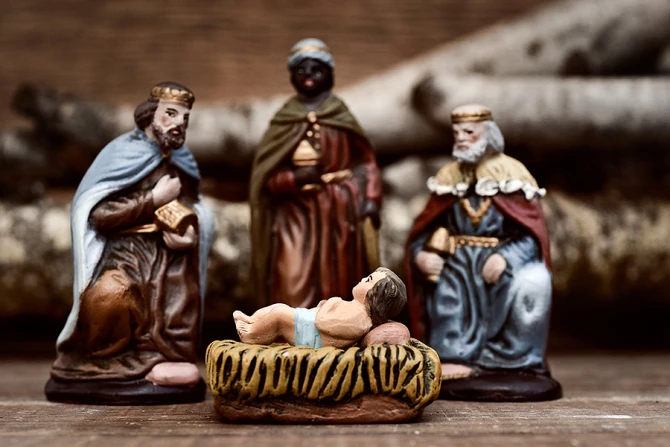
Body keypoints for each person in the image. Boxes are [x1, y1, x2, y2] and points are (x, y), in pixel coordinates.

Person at [46, 82, 215, 404]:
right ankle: (105, 360)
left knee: (179, 297)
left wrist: (190, 233)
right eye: (170, 114)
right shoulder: (122, 154)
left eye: (184, 118)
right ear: (150, 115)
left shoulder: (181, 160)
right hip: (125, 253)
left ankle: (167, 359)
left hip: (170, 253)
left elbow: (194, 205)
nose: (178, 124)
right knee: (109, 295)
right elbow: (99, 215)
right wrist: (152, 199)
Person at [404, 104, 561, 401]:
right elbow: (424, 229)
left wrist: (506, 257)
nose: (461, 139)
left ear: (488, 135)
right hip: (455, 265)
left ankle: (514, 360)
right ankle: (452, 356)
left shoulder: (512, 176)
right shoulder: (450, 178)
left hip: (500, 266)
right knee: (445, 292)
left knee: (533, 281)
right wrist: (421, 255)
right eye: (456, 133)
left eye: (469, 132)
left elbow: (532, 236)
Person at [249, 38, 382, 311]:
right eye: (301, 70)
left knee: (339, 284)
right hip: (294, 213)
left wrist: (370, 199)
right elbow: (266, 175)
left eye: (316, 70)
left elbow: (365, 162)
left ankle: (337, 329)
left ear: (329, 74)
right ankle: (292, 330)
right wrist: (293, 179)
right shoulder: (285, 118)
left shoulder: (340, 115)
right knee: (291, 280)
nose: (308, 76)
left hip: (339, 210)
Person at [233, 267, 407, 350]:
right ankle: (252, 321)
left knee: (279, 315)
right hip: (308, 324)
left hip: (310, 335)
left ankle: (251, 335)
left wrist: (331, 303)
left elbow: (322, 323)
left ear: (375, 297)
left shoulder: (361, 320)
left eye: (368, 280)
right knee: (279, 307)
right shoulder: (356, 309)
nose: (362, 279)